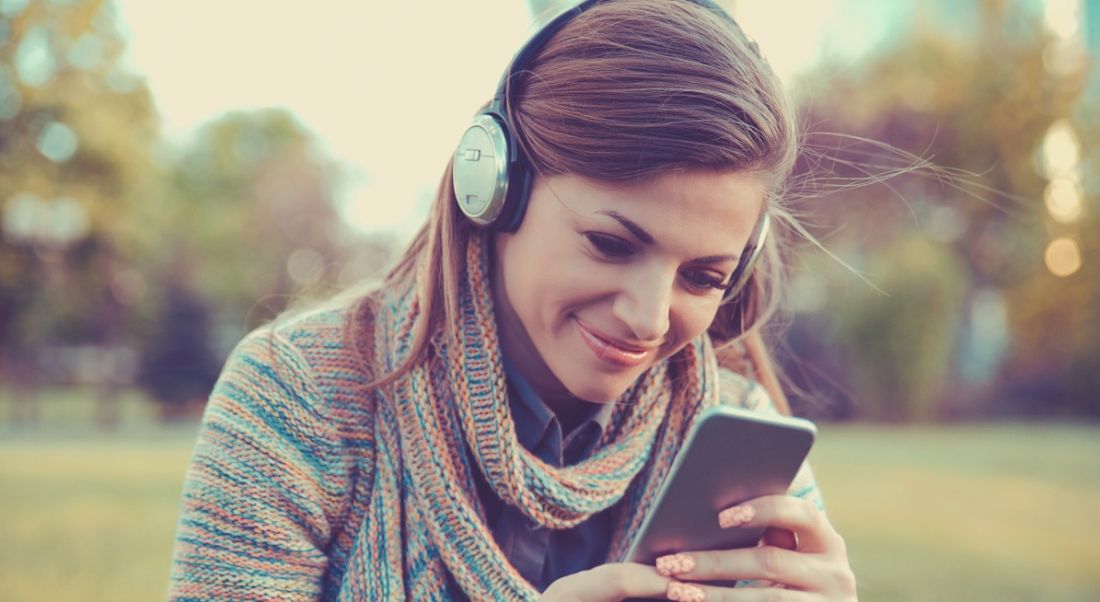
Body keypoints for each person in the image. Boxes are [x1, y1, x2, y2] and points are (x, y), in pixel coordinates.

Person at [167, 0, 858, 600]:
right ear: (495, 189)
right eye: (610, 244)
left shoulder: (737, 430)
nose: (647, 319)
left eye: (703, 277)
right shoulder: (297, 399)